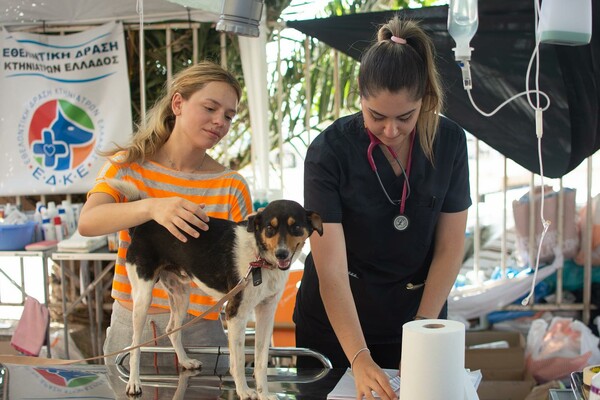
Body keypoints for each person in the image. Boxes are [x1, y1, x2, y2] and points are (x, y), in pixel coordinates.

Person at [293, 16, 472, 399]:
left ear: (423, 100)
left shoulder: (451, 142)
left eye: (405, 117)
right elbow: (332, 270)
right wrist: (359, 358)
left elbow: (450, 246)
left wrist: (422, 332)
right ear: (360, 99)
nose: (390, 130)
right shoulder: (329, 152)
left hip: (416, 311)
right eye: (377, 116)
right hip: (337, 326)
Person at [77, 61, 253, 368]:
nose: (219, 122)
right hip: (131, 326)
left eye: (228, 116)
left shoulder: (231, 185)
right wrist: (151, 206)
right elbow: (88, 222)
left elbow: (245, 267)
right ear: (178, 103)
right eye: (210, 108)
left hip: (201, 332)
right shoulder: (129, 165)